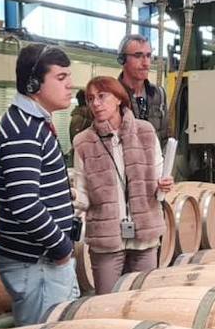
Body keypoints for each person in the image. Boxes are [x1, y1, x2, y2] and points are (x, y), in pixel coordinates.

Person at [0, 43, 79, 325]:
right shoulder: (24, 131)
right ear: (33, 83)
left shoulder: (34, 123)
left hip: (44, 261)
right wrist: (62, 248)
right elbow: (25, 204)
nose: (71, 86)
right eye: (61, 78)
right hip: (37, 263)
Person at [72, 76, 173, 294]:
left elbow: (158, 178)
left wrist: (163, 186)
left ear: (119, 99)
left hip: (144, 235)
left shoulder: (145, 132)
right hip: (106, 239)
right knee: (106, 303)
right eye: (90, 99)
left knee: (141, 301)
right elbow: (82, 192)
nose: (95, 104)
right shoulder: (83, 142)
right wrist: (66, 202)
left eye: (101, 96)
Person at [117, 33, 168, 144]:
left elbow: (165, 137)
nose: (146, 63)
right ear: (122, 59)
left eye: (148, 56)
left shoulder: (159, 94)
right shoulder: (112, 94)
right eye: (138, 56)